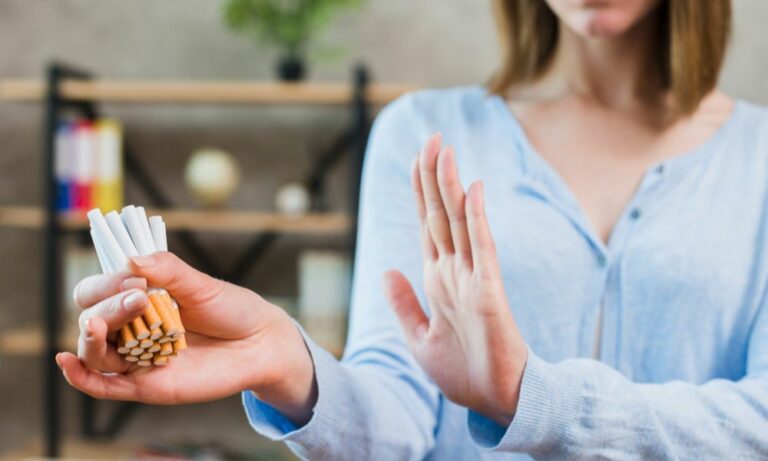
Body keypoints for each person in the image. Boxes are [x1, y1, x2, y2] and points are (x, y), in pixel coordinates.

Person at [57, 0, 768, 459]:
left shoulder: (759, 156)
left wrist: (534, 398)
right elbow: (395, 426)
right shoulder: (426, 131)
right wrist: (286, 365)